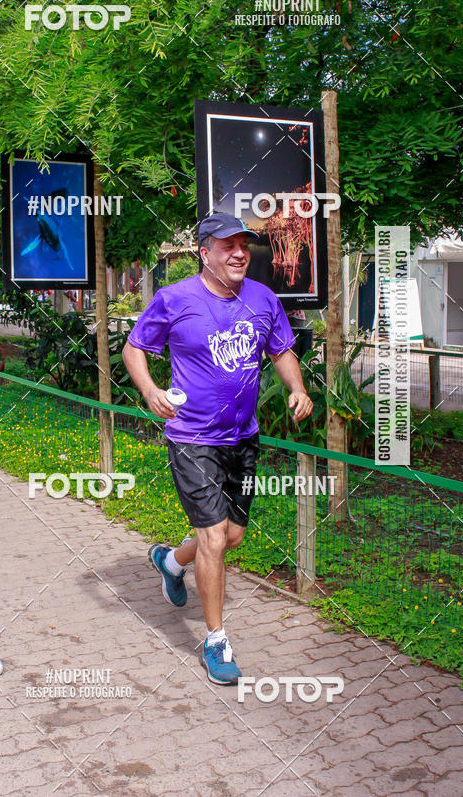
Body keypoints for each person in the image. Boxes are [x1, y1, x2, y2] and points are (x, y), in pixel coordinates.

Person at [122, 212, 313, 685]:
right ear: (204, 253)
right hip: (192, 438)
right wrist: (149, 392)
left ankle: (170, 562)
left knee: (231, 537)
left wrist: (297, 387)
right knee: (212, 537)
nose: (239, 252)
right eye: (227, 245)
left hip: (243, 439)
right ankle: (216, 640)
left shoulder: (263, 298)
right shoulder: (174, 299)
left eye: (244, 245)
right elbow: (134, 348)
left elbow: (281, 350)